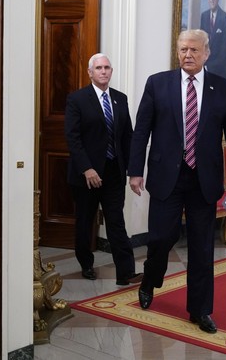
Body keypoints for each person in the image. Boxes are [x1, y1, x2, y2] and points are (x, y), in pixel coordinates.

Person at [128, 29, 226, 334]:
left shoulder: (222, 88)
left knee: (201, 246)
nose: (188, 55)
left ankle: (200, 310)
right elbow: (142, 130)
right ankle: (150, 278)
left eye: (194, 50)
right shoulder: (158, 83)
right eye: (183, 50)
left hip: (204, 179)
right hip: (166, 175)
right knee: (159, 238)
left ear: (207, 52)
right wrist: (135, 170)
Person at [64, 53, 142, 286]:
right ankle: (86, 263)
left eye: (107, 67)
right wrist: (87, 168)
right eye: (99, 68)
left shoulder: (120, 98)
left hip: (113, 172)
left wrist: (133, 170)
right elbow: (72, 138)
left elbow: (127, 136)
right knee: (85, 221)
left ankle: (126, 272)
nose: (104, 71)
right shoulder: (77, 99)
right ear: (90, 72)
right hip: (86, 176)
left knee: (116, 221)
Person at [200, 0, 226, 79]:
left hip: (218, 74)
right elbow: (201, 45)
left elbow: (224, 52)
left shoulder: (225, 18)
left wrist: (207, 67)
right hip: (203, 73)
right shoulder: (203, 16)